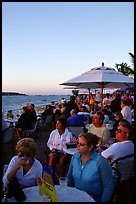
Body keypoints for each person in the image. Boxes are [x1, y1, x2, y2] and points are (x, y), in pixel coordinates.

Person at [66, 132, 114, 202]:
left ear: (90, 147)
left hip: (93, 197)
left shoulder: (100, 162)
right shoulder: (75, 157)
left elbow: (108, 186)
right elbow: (70, 177)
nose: (78, 146)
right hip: (77, 195)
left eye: (81, 144)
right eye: (78, 143)